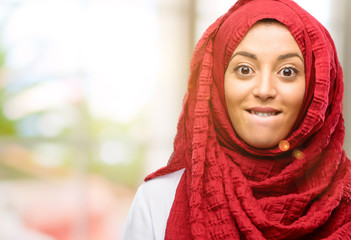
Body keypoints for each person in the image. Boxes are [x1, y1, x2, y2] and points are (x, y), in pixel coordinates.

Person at [122, 0, 351, 239]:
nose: (264, 90)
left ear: (317, 88)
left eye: (287, 72)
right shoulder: (157, 203)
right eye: (244, 69)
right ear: (216, 82)